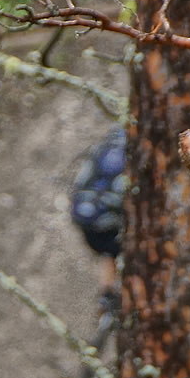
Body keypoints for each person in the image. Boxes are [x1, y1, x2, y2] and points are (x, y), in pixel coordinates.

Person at [70, 126, 126, 313]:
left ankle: (106, 298)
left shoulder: (104, 149)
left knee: (107, 253)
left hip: (84, 219)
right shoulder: (132, 159)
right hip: (105, 224)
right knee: (116, 249)